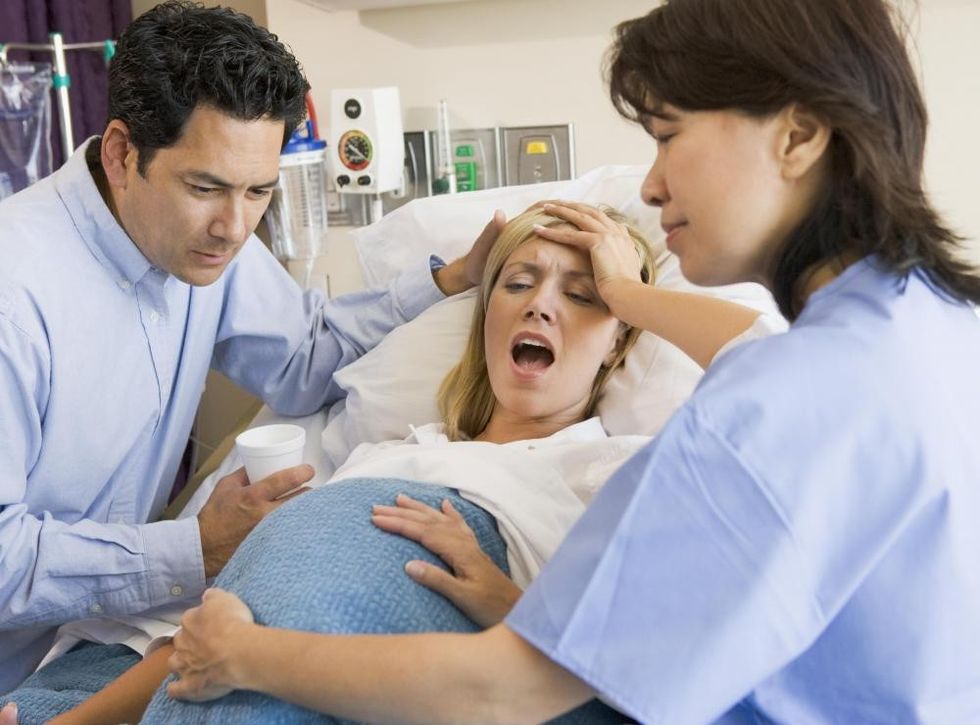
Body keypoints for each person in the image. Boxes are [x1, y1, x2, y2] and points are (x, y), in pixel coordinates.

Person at [158, 0, 980, 722]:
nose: (651, 186)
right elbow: (758, 355)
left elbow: (503, 691)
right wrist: (625, 295)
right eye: (518, 282)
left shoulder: (762, 414)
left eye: (668, 136)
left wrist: (242, 654)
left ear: (797, 135)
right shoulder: (931, 329)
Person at [0, 204, 765, 724]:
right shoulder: (389, 449)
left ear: (621, 337)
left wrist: (508, 602)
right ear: (487, 314)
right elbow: (202, 639)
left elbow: (620, 677)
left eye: (583, 294)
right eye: (518, 282)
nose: (539, 305)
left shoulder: (610, 469)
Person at [0, 0, 497, 693]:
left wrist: (452, 279)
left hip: (80, 652)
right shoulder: (16, 299)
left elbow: (301, 361)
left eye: (258, 191)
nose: (235, 228)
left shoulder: (200, 243)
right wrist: (193, 549)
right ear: (121, 153)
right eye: (204, 187)